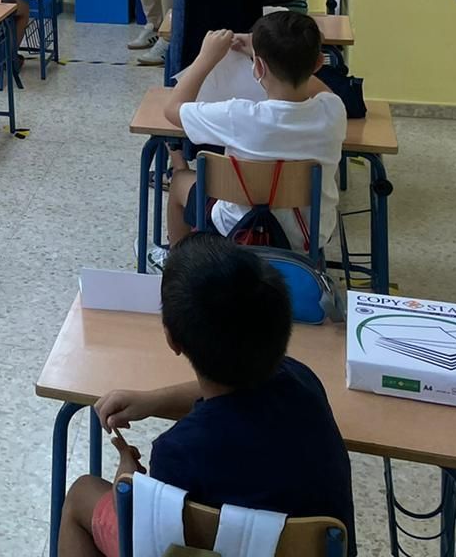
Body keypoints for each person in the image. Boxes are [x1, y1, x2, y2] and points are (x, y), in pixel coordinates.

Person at [56, 233, 354, 557]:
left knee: (81, 494)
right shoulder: (302, 378)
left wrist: (126, 485)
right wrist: (154, 400)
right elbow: (231, 395)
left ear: (172, 339)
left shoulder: (178, 452)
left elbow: (152, 542)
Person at [158, 16, 345, 257]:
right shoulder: (333, 110)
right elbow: (324, 92)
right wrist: (285, 59)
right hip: (308, 234)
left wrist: (206, 57)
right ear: (319, 63)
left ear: (258, 67)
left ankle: (177, 264)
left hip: (237, 228)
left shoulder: (238, 115)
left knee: (179, 181)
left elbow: (172, 109)